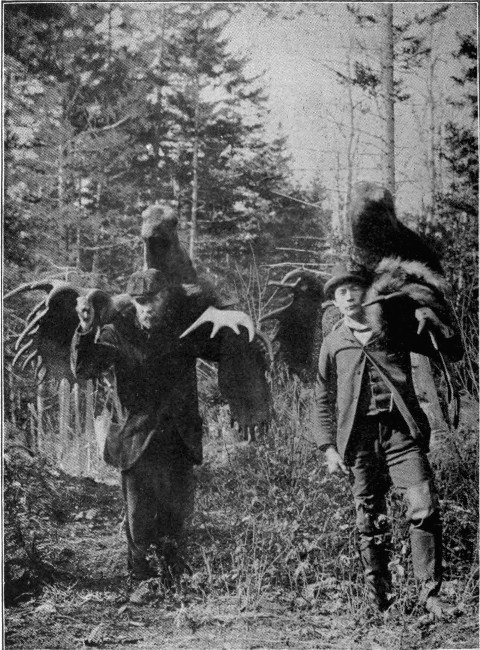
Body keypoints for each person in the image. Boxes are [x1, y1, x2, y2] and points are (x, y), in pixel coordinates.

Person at [71, 268, 258, 582]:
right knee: (138, 516)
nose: (147, 307)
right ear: (132, 302)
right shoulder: (116, 333)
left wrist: (228, 320)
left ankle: (175, 575)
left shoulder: (185, 330)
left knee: (177, 512)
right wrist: (87, 327)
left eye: (153, 299)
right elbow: (85, 368)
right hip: (136, 439)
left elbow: (225, 349)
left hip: (178, 438)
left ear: (166, 298)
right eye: (140, 301)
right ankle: (141, 579)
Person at [313, 262, 462, 617]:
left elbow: (450, 351)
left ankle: (430, 595)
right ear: (335, 302)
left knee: (423, 507)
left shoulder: (394, 330)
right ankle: (381, 599)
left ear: (368, 294)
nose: (348, 297)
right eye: (340, 292)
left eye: (353, 289)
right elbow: (321, 396)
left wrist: (435, 318)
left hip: (401, 435)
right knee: (369, 518)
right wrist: (328, 447)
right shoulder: (334, 342)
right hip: (359, 441)